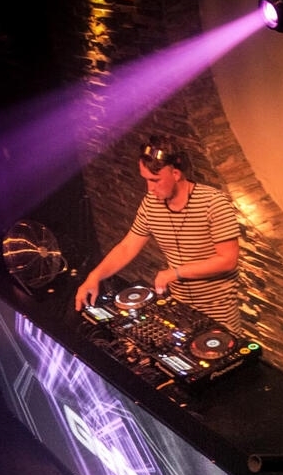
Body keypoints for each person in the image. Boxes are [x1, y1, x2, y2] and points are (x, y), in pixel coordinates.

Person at [75, 135, 242, 332]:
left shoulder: (214, 203)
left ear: (176, 173)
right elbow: (127, 247)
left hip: (218, 314)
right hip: (179, 308)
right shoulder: (150, 204)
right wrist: (95, 276)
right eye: (146, 179)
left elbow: (227, 260)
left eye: (155, 180)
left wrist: (175, 273)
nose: (150, 188)